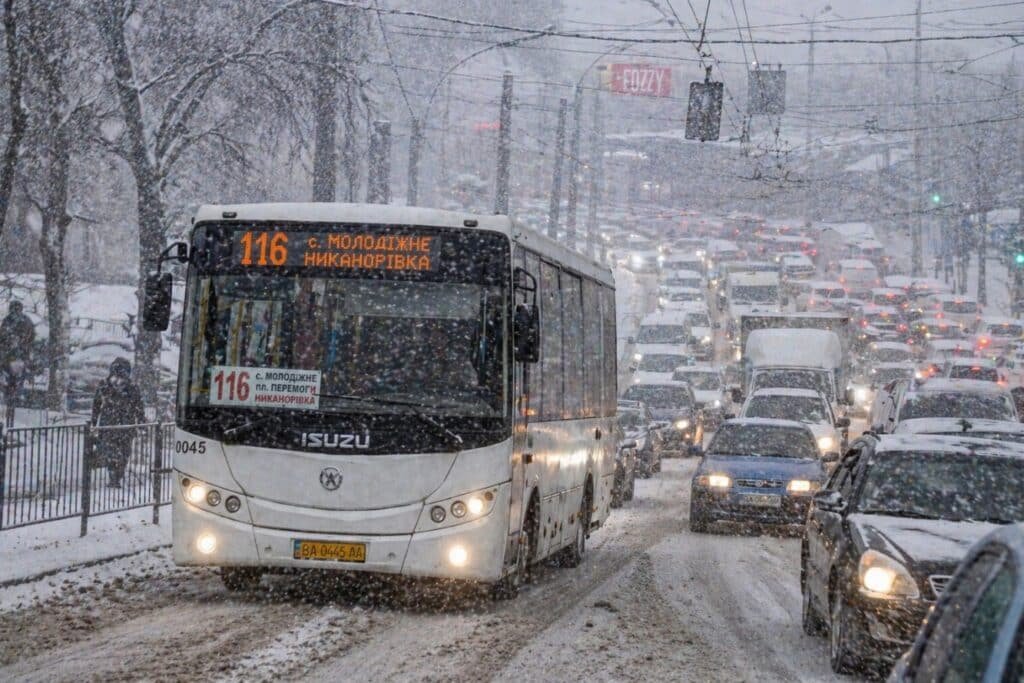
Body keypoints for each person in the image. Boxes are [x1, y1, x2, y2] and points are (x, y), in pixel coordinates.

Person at [90, 358, 145, 488]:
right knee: (118, 453)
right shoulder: (127, 388)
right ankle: (114, 476)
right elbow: (139, 407)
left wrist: (94, 420)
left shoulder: (110, 386)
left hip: (115, 425)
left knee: (118, 453)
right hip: (118, 426)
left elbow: (138, 406)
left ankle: (115, 476)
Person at [0, 300, 35, 428]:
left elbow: (2, 341)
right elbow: (31, 341)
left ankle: (11, 406)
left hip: (9, 359)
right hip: (19, 359)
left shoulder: (7, 321)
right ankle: (14, 402)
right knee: (15, 386)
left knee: (9, 387)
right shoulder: (26, 321)